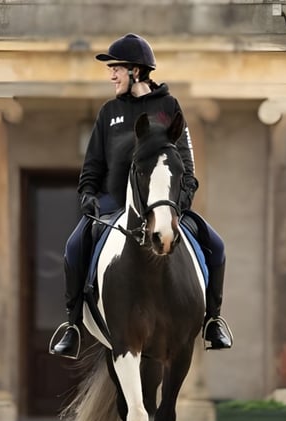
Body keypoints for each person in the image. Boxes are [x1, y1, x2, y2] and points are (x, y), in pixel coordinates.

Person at [49, 33, 233, 359]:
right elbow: (92, 165)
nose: (111, 75)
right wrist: (88, 195)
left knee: (216, 246)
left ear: (136, 71)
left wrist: (178, 204)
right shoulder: (109, 112)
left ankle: (212, 321)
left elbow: (186, 168)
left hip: (164, 206)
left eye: (116, 68)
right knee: (73, 246)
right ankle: (73, 324)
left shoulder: (169, 108)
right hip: (114, 204)